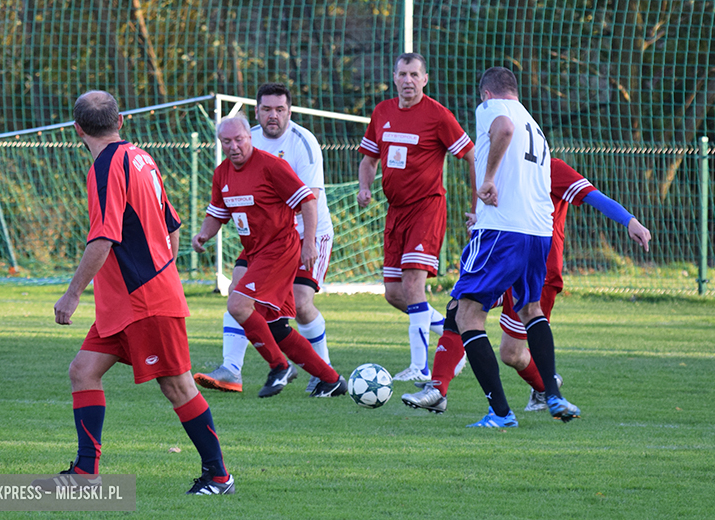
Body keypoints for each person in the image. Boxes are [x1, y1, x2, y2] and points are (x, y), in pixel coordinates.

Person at [47, 90, 233, 495]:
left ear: (77, 130)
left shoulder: (105, 167)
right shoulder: (142, 158)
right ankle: (85, 472)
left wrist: (72, 294)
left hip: (144, 300)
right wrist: (162, 268)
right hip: (125, 302)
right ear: (120, 121)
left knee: (177, 386)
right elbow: (172, 226)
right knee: (83, 371)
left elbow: (103, 238)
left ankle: (219, 476)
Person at [402, 158, 652, 419]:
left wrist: (629, 221)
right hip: (504, 261)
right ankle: (438, 389)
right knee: (460, 306)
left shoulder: (550, 168)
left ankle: (546, 388)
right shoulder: (505, 168)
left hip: (539, 271)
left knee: (512, 354)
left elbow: (593, 196)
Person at [446, 66, 577, 428]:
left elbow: (503, 128)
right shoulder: (534, 125)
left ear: (486, 94)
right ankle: (552, 393)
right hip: (538, 233)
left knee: (466, 314)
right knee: (531, 309)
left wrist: (487, 179)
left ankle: (501, 413)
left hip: (503, 231)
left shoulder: (492, 109)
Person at [192, 114, 347, 399]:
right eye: (227, 141)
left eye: (239, 140)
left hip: (279, 249)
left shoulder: (272, 165)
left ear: (249, 138)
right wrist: (203, 235)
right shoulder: (222, 173)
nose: (234, 146)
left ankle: (279, 367)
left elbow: (308, 201)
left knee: (238, 304)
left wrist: (310, 244)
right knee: (276, 327)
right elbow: (217, 213)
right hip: (254, 250)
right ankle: (332, 380)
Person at [357, 52, 476, 382]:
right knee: (395, 293)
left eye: (414, 74)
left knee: (413, 284)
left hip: (426, 207)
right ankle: (454, 336)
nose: (408, 80)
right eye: (402, 74)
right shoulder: (382, 112)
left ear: (425, 79)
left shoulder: (438, 115)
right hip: (395, 212)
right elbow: (368, 159)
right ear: (394, 78)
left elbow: (472, 156)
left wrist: (476, 207)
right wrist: (364, 187)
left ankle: (420, 368)